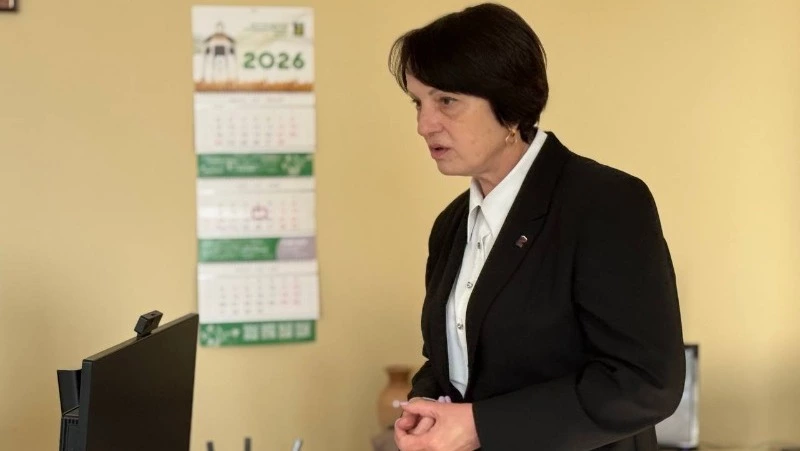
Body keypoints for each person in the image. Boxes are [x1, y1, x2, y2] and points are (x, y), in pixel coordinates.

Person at [387, 3, 685, 450]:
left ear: (509, 106)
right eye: (418, 103)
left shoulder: (605, 203)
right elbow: (453, 360)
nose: (424, 125)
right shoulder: (450, 225)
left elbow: (645, 383)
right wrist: (427, 403)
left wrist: (479, 425)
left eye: (446, 101)